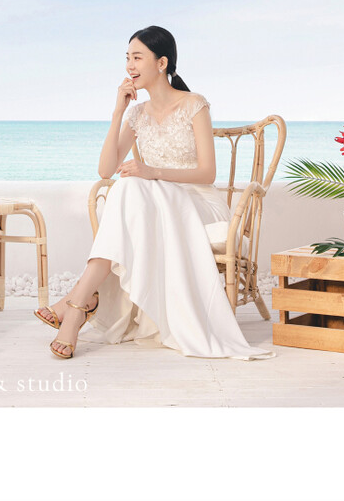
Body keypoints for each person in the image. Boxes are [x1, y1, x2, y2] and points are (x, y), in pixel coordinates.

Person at [35, 25, 273, 361]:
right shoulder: (136, 113)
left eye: (137, 57)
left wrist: (152, 172)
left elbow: (208, 173)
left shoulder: (194, 104)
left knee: (132, 185)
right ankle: (79, 303)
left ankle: (78, 302)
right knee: (127, 186)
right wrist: (118, 112)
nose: (129, 66)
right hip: (152, 203)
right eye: (127, 58)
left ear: (161, 63)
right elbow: (105, 170)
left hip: (197, 202)